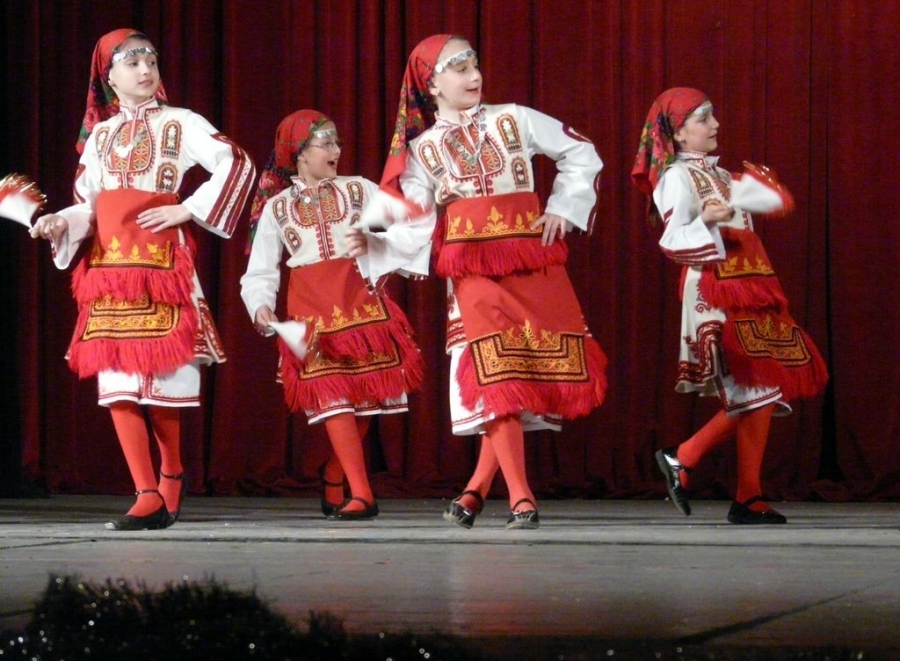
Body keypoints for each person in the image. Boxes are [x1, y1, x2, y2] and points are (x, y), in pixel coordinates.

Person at [366, 34, 607, 530]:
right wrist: (374, 242)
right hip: (472, 272)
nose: (473, 76)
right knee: (493, 372)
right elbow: (413, 217)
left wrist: (563, 207)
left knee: (520, 372)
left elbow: (581, 152)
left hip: (530, 261)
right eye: (458, 69)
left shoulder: (513, 117)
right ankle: (522, 497)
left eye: (474, 64)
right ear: (431, 84)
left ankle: (476, 488)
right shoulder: (422, 149)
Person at [30, 29, 255, 530]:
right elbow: (90, 203)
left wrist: (188, 209)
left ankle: (171, 471)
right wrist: (60, 222)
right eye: (131, 63)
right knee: (118, 380)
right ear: (108, 78)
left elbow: (236, 163)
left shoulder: (182, 122)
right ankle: (146, 490)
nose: (145, 69)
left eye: (150, 59)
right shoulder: (102, 136)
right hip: (109, 269)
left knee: (162, 378)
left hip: (160, 266)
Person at [631, 87, 829, 524]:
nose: (715, 125)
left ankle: (737, 490)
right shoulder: (676, 178)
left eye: (713, 116)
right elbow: (671, 238)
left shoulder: (724, 178)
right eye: (704, 119)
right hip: (714, 291)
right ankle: (698, 463)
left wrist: (764, 193)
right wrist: (706, 220)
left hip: (753, 287)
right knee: (758, 387)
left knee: (760, 387)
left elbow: (778, 203)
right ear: (678, 135)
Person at [241, 109, 426, 520]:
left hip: (359, 300)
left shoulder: (359, 190)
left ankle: (335, 472)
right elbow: (261, 268)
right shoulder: (276, 209)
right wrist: (261, 305)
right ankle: (363, 494)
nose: (335, 150)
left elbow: (413, 221)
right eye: (325, 143)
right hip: (310, 309)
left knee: (365, 402)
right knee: (333, 399)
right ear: (299, 154)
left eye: (337, 142)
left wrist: (380, 246)